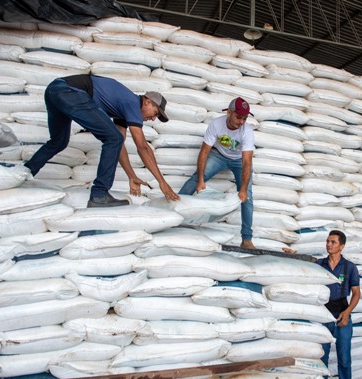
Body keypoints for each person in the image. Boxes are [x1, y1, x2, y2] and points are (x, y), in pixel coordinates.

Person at [23, 74, 179, 208]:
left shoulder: (123, 110)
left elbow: (118, 146)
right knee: (113, 138)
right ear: (147, 102)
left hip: (54, 90)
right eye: (155, 113)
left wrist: (131, 175)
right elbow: (143, 147)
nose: (153, 118)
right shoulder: (132, 102)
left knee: (59, 141)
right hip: (70, 91)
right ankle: (99, 195)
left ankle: (25, 173)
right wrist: (162, 182)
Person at [284, 230, 360, 379]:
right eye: (327, 241)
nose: (329, 244)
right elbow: (303, 266)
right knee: (321, 356)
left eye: (333, 242)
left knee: (344, 358)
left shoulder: (349, 268)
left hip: (342, 315)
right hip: (322, 315)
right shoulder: (319, 264)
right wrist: (293, 255)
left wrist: (347, 313)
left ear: (342, 246)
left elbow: (356, 293)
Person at [178, 97, 255, 249]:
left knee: (248, 196)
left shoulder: (247, 131)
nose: (241, 122)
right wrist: (201, 180)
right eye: (238, 117)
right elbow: (204, 152)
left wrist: (244, 190)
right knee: (195, 180)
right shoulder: (216, 124)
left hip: (239, 160)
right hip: (218, 155)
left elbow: (247, 162)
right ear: (229, 112)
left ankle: (247, 238)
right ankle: (175, 215)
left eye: (244, 118)